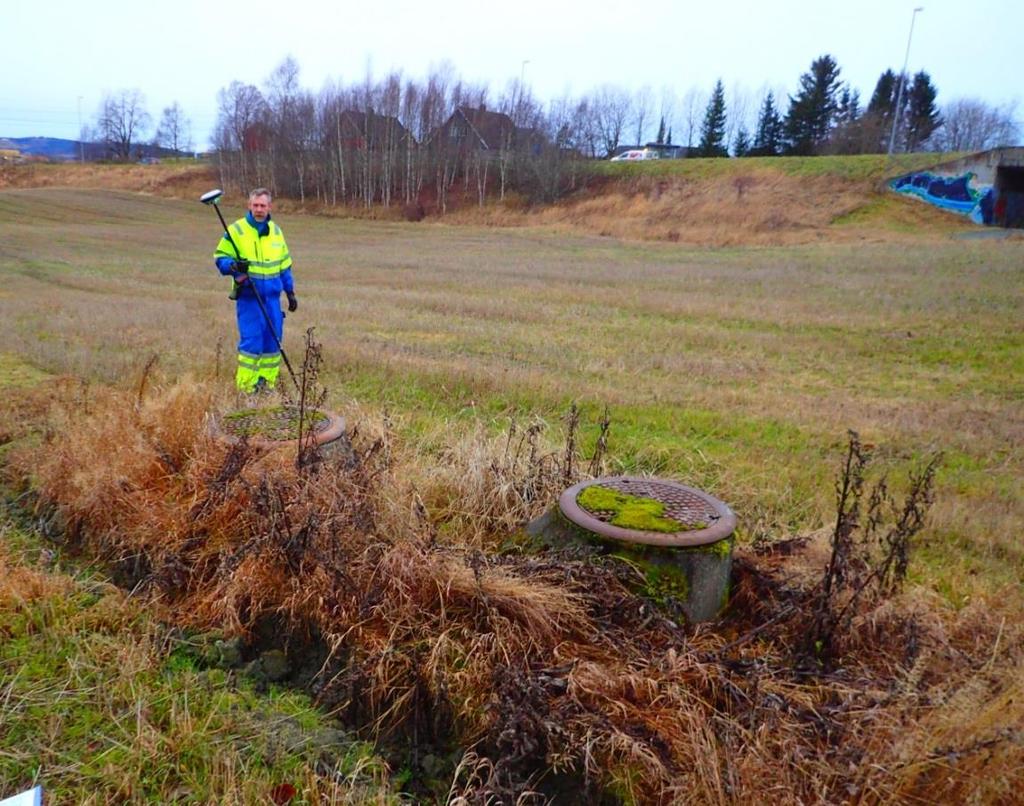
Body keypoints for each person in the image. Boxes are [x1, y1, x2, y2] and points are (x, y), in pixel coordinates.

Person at [213, 188, 297, 393]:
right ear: (249, 205)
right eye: (255, 205)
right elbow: (220, 258)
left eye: (263, 205)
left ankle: (266, 385)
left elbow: (284, 266)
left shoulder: (276, 232)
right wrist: (232, 266)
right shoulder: (236, 231)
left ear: (269, 207)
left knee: (273, 342)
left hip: (272, 300)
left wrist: (290, 292)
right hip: (249, 298)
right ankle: (246, 388)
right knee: (251, 344)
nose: (259, 209)